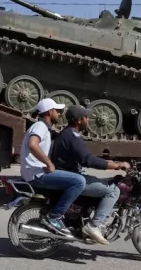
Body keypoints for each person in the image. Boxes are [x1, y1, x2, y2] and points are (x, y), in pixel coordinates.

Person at [51, 105, 131, 245]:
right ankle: (94, 226)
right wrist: (116, 166)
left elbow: (85, 157)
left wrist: (110, 162)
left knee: (104, 183)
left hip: (71, 174)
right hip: (72, 178)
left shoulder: (68, 133)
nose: (88, 120)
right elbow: (87, 160)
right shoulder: (72, 137)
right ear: (79, 120)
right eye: (86, 117)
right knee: (113, 191)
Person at [19, 97, 86, 238]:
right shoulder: (40, 126)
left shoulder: (44, 128)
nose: (60, 114)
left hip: (36, 172)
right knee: (79, 181)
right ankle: (55, 216)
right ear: (50, 112)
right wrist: (48, 163)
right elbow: (33, 144)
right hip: (36, 174)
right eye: (58, 111)